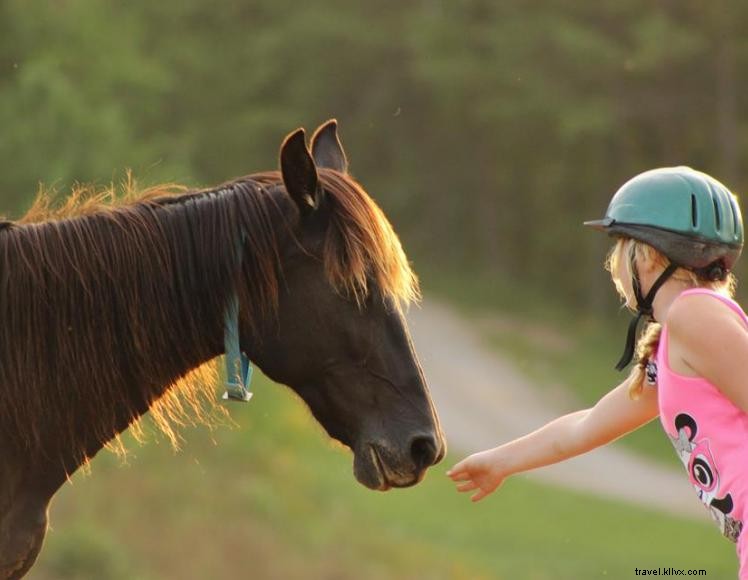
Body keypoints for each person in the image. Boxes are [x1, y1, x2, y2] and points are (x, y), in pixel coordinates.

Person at [448, 167, 748, 577]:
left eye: (619, 247)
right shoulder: (676, 342)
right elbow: (586, 426)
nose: (614, 265)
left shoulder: (693, 316)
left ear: (649, 255)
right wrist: (501, 461)